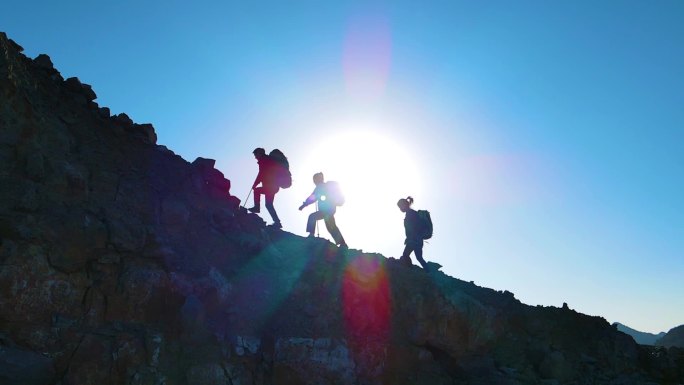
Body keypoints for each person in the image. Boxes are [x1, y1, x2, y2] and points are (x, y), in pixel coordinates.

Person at [298, 172, 347, 248]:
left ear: (317, 180)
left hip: (326, 210)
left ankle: (311, 235)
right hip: (330, 210)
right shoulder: (326, 186)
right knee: (331, 227)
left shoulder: (320, 187)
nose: (314, 182)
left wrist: (304, 205)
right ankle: (343, 244)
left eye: (315, 180)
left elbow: (312, 198)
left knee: (312, 217)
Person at [248, 147, 281, 229]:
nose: (255, 157)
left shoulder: (264, 161)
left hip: (270, 186)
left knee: (257, 191)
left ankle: (257, 208)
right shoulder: (267, 160)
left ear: (259, 153)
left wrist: (255, 184)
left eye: (256, 155)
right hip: (273, 186)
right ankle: (277, 223)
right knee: (269, 205)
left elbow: (261, 173)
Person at [397, 196, 430, 271]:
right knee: (419, 258)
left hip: (414, 240)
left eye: (400, 206)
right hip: (417, 239)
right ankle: (428, 271)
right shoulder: (411, 213)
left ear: (404, 205)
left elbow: (414, 227)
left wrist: (411, 237)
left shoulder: (411, 214)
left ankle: (411, 270)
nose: (400, 209)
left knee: (406, 255)